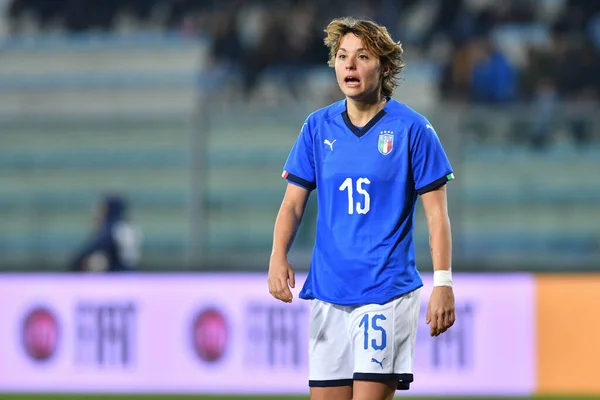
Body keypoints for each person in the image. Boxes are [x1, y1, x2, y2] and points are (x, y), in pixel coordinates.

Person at [268, 17, 456, 400]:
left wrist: (444, 283)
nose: (349, 65)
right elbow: (292, 204)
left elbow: (436, 214)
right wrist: (277, 255)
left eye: (362, 56)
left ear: (384, 67)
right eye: (342, 56)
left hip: (385, 292)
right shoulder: (317, 127)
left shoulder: (412, 129)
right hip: (328, 293)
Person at [69, 194, 142, 273]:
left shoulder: (112, 229)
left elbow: (90, 249)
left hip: (117, 275)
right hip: (132, 273)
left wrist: (75, 262)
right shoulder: (129, 228)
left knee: (97, 259)